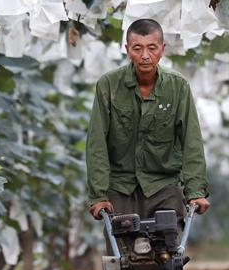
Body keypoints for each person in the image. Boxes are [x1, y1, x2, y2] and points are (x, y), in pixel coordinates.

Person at [85, 18, 210, 226]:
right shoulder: (108, 86)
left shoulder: (177, 87)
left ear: (162, 49)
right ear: (127, 49)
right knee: (122, 254)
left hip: (163, 186)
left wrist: (195, 191)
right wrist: (98, 196)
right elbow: (96, 142)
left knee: (169, 250)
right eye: (137, 48)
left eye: (152, 48)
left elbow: (191, 142)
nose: (145, 56)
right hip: (120, 188)